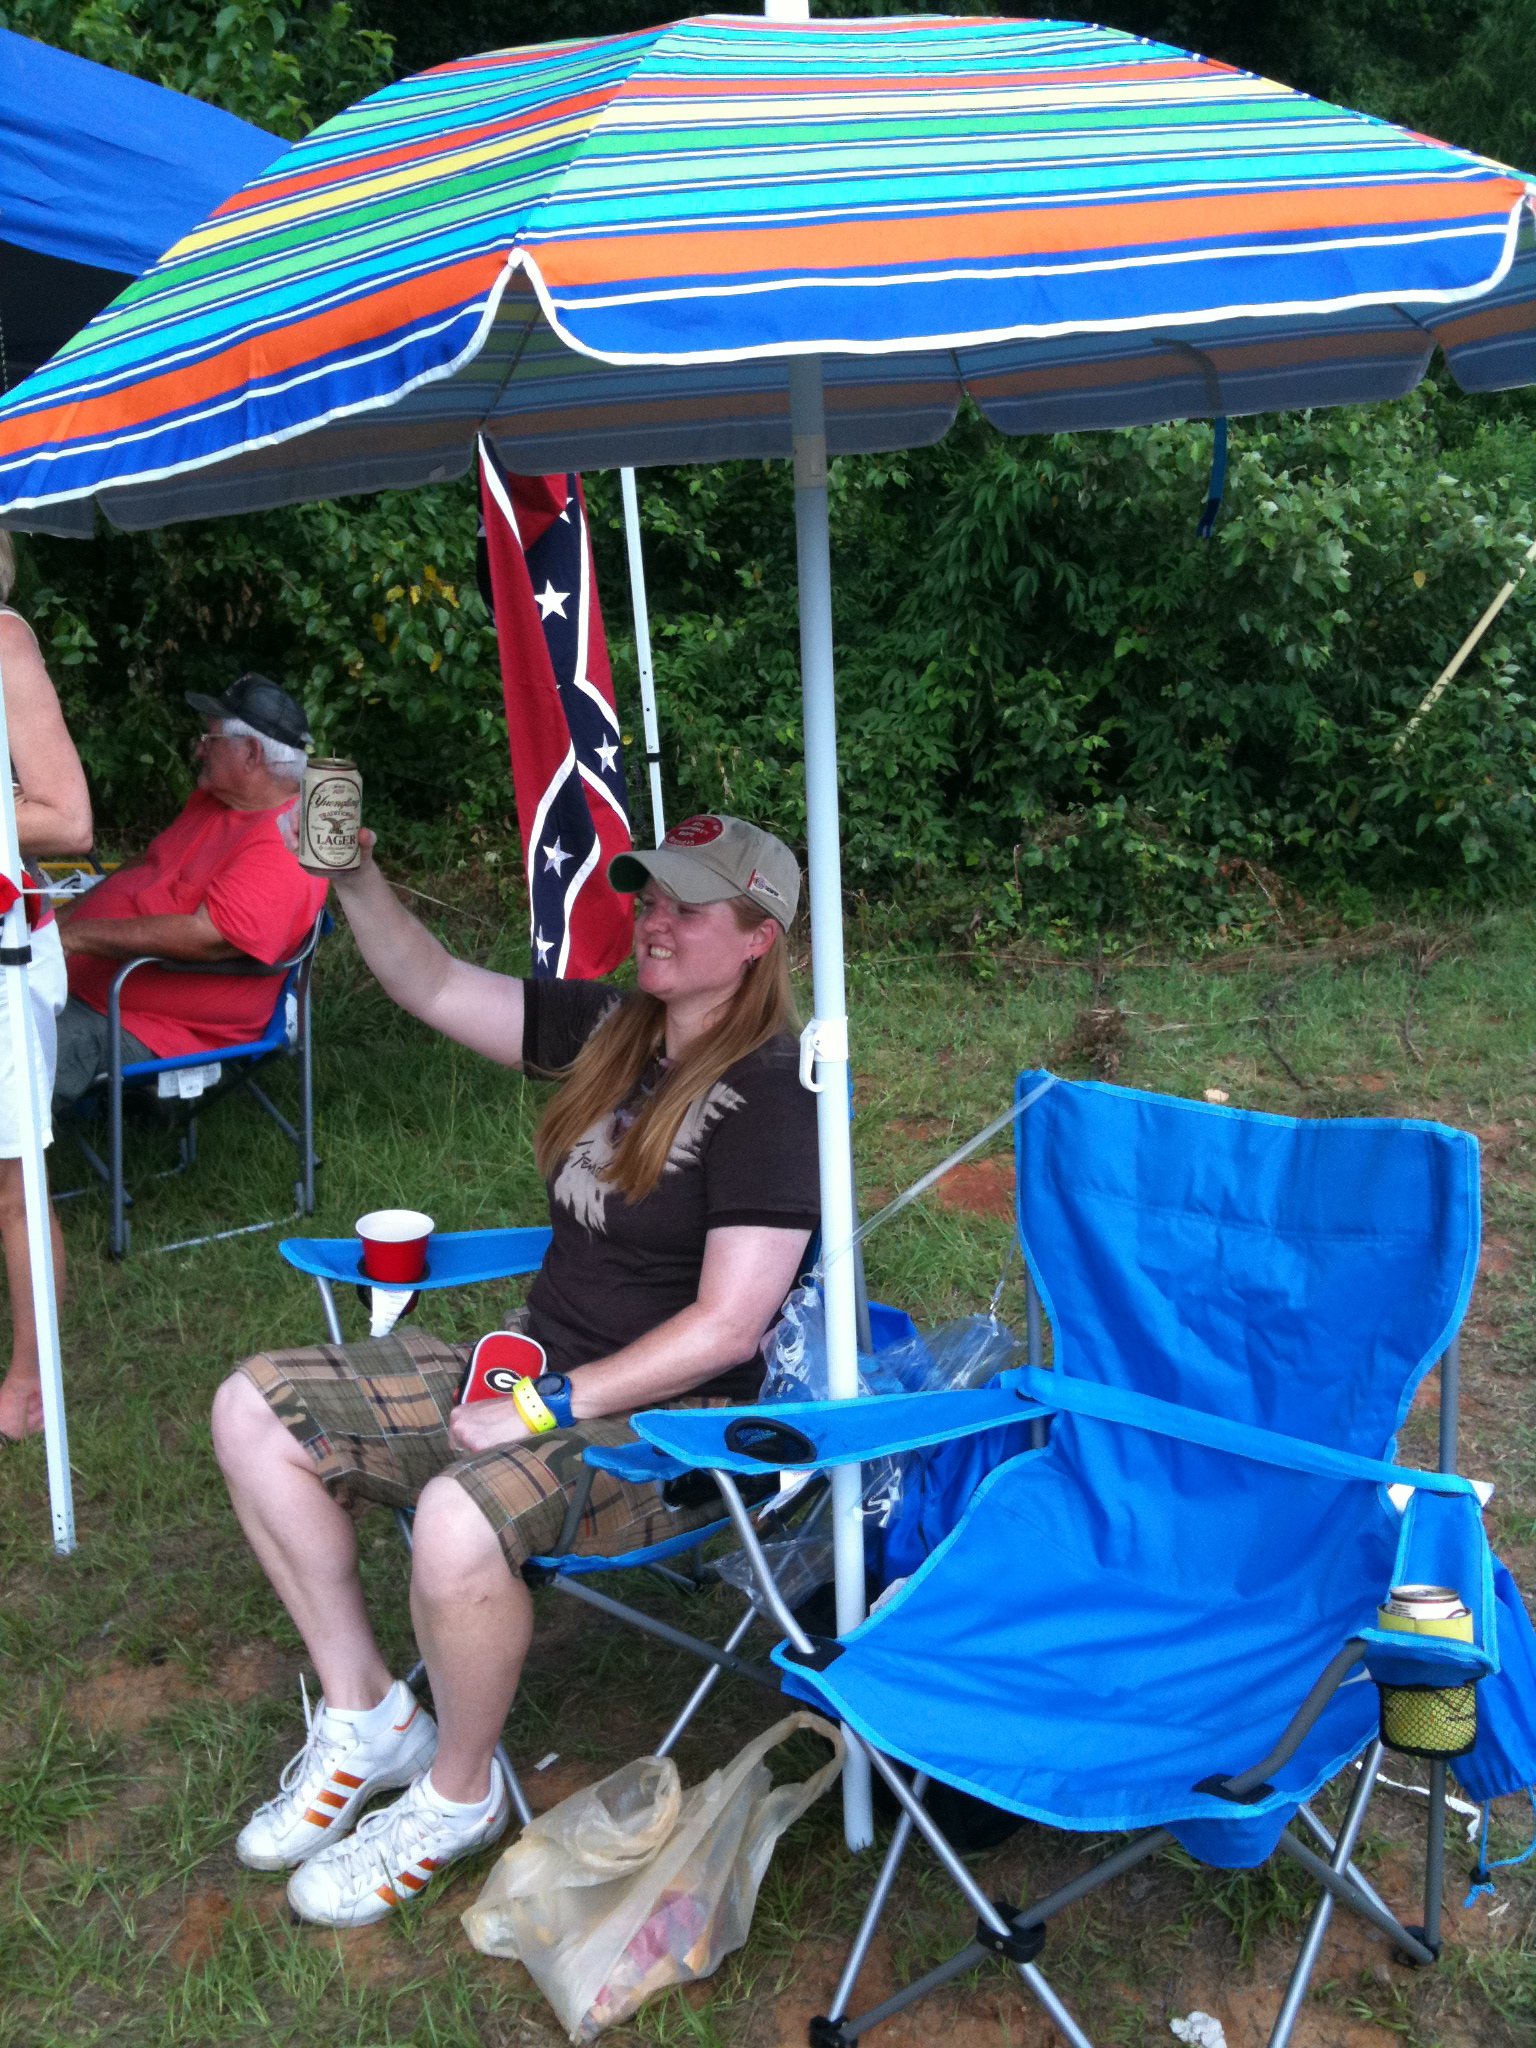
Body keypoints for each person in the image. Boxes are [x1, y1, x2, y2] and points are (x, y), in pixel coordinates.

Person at [210, 813, 818, 1928]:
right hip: (529, 1364)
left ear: (758, 937)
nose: (655, 920)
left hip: (667, 1428)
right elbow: (434, 983)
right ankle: (369, 1714)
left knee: (455, 1519)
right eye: (650, 897)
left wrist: (542, 1406)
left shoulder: (776, 1095)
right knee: (255, 1409)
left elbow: (729, 1326)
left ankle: (459, 1793)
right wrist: (356, 873)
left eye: (690, 907)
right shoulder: (618, 1027)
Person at [52, 674, 327, 1106]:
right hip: (84, 987)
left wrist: (76, 937)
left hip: (154, 1025)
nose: (199, 749)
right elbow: (148, 865)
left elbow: (210, 938)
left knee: (11, 1051)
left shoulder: (286, 841)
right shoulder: (215, 803)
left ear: (251, 754)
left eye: (210, 739)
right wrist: (55, 923)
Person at [0, 532, 92, 1441]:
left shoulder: (3, 641)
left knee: (10, 1177)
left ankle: (30, 1377)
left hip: (0, 948)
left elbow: (67, 816)